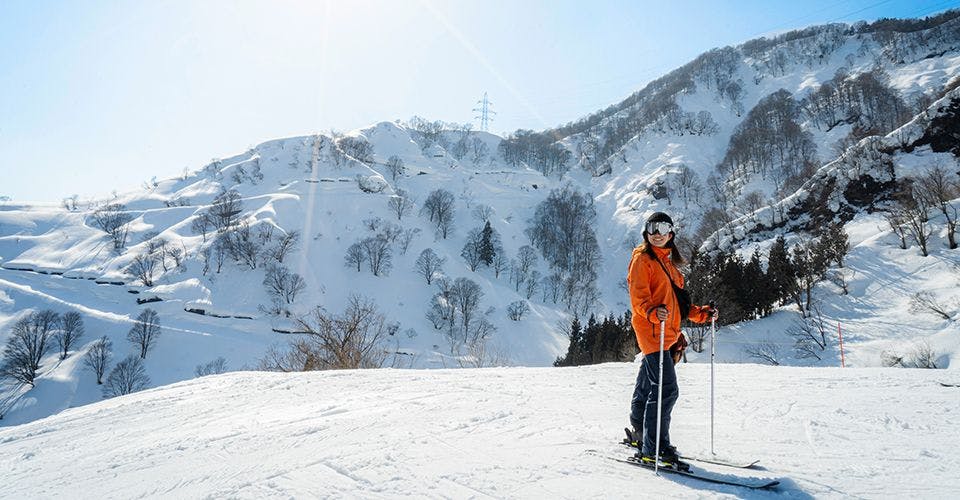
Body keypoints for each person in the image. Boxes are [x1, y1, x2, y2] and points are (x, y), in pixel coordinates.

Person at [626, 212, 716, 470]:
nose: (657, 232)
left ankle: (641, 432)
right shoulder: (643, 260)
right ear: (646, 232)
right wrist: (652, 313)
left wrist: (702, 313)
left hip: (668, 333)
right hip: (653, 332)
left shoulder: (668, 264)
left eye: (663, 227)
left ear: (671, 234)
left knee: (648, 385)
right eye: (652, 227)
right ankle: (653, 448)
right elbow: (639, 298)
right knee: (666, 390)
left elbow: (680, 305)